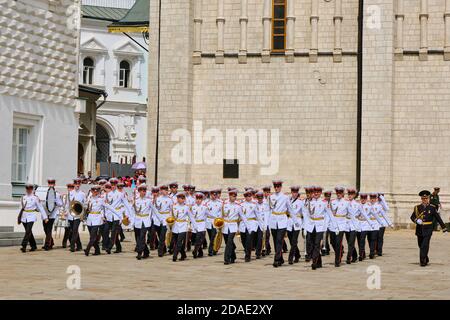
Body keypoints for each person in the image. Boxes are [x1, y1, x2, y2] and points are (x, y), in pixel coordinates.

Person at [410, 190, 447, 266]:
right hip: (419, 229)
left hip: (428, 229)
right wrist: (416, 220)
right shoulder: (417, 207)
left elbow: (438, 218)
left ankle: (422, 261)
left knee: (425, 245)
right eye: (423, 198)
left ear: (428, 198)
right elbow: (412, 217)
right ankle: (425, 257)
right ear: (421, 199)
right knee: (420, 245)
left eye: (426, 198)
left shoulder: (432, 208)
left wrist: (444, 228)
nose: (425, 200)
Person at [84, 185, 115, 256]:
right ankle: (97, 250)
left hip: (97, 219)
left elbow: (109, 207)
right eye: (93, 190)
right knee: (92, 236)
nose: (95, 192)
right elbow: (85, 207)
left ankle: (87, 249)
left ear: (99, 192)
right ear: (91, 191)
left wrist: (119, 215)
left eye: (97, 190)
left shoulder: (101, 199)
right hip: (90, 219)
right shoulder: (89, 199)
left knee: (93, 236)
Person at [19, 184, 48, 252]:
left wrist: (45, 217)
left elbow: (41, 208)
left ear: (32, 189)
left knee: (28, 231)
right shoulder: (23, 197)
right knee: (29, 232)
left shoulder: (35, 198)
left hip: (31, 216)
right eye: (27, 188)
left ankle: (24, 245)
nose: (29, 190)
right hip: (24, 216)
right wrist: (19, 217)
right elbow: (20, 208)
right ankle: (34, 245)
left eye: (30, 188)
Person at [268, 180, 290, 268]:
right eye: (275, 187)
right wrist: (266, 222)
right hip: (273, 221)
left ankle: (276, 259)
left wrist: (295, 221)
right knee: (274, 240)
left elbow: (290, 209)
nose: (276, 188)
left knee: (279, 240)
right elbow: (268, 210)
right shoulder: (270, 197)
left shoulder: (285, 197)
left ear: (280, 187)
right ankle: (280, 258)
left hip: (282, 221)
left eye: (278, 187)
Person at [222, 189, 247, 265]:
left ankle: (227, 259)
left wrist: (247, 226)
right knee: (228, 242)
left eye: (235, 196)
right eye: (232, 196)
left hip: (233, 226)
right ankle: (233, 256)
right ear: (229, 196)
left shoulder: (238, 206)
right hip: (225, 226)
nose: (234, 198)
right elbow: (221, 215)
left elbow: (242, 216)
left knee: (229, 241)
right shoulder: (224, 205)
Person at [133, 184, 156, 260]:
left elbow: (154, 210)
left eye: (144, 191)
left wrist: (161, 219)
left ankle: (139, 252)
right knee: (138, 237)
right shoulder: (136, 200)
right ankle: (146, 251)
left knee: (142, 236)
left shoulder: (149, 200)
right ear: (139, 191)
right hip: (138, 220)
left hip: (145, 220)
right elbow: (132, 211)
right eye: (142, 191)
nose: (143, 192)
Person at [42, 178, 63, 251]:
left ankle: (47, 245)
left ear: (54, 184)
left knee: (49, 229)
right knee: (45, 229)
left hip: (52, 214)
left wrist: (55, 201)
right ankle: (51, 242)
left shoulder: (56, 194)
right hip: (45, 214)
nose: (51, 184)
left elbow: (60, 204)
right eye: (49, 183)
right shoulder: (44, 193)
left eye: (52, 183)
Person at [171, 192, 191, 262]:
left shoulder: (186, 207)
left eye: (182, 198)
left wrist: (193, 226)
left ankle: (175, 255)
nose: (180, 200)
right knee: (176, 242)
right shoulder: (174, 206)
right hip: (175, 225)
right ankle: (183, 254)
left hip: (183, 225)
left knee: (179, 241)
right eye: (179, 198)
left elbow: (190, 217)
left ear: (184, 199)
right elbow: (171, 216)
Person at [240, 190, 259, 262]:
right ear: (245, 197)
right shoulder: (241, 204)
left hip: (251, 223)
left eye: (250, 196)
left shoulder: (254, 204)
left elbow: (258, 215)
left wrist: (261, 224)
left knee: (249, 239)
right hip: (243, 224)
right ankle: (246, 251)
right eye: (247, 196)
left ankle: (248, 256)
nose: (249, 197)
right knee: (243, 239)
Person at [67, 178, 85, 252]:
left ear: (80, 184)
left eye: (78, 184)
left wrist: (82, 215)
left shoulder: (82, 193)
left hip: (78, 214)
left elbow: (85, 204)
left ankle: (72, 246)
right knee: (73, 230)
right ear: (74, 184)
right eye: (76, 184)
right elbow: (68, 204)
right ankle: (79, 245)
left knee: (75, 230)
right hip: (71, 214)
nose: (77, 185)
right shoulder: (70, 193)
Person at [155, 184, 173, 257]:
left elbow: (171, 210)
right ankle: (164, 248)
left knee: (162, 235)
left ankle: (160, 251)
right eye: (162, 190)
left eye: (165, 190)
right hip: (159, 218)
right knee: (159, 235)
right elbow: (156, 208)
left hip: (166, 217)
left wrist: (171, 219)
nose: (164, 191)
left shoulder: (169, 199)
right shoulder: (158, 198)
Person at [286, 186, 303, 264]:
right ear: (291, 192)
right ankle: (297, 254)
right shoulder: (288, 200)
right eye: (293, 192)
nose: (294, 194)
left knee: (294, 241)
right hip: (289, 222)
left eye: (296, 192)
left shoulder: (300, 202)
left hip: (297, 223)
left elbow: (303, 214)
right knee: (291, 241)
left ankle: (290, 258)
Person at [189, 192, 208, 258]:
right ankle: (200, 252)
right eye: (197, 199)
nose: (198, 200)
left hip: (202, 224)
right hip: (194, 224)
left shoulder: (205, 207)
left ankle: (195, 251)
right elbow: (190, 216)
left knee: (200, 239)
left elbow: (208, 215)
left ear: (202, 199)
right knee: (194, 239)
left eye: (200, 199)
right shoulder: (192, 207)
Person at [206, 189, 223, 256]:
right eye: (213, 195)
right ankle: (214, 248)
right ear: (211, 195)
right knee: (211, 236)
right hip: (208, 221)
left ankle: (210, 250)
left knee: (213, 236)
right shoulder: (207, 203)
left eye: (215, 195)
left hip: (216, 221)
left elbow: (221, 212)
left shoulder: (219, 203)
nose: (214, 196)